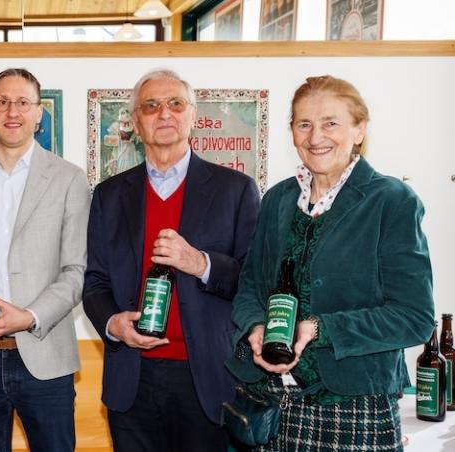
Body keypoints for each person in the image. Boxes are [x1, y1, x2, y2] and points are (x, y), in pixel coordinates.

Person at [226, 75, 435, 451]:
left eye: (331, 123)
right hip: (270, 407)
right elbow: (250, 289)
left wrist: (318, 329)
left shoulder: (391, 200)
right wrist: (255, 327)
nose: (315, 136)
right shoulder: (277, 199)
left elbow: (414, 318)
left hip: (356, 410)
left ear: (359, 130)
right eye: (303, 124)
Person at [82, 68, 260, 452]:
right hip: (132, 378)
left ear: (193, 115)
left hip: (206, 380)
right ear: (135, 122)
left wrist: (200, 262)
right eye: (150, 106)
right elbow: (95, 281)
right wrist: (113, 323)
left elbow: (254, 281)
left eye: (175, 103)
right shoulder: (109, 195)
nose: (164, 113)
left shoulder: (236, 190)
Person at [0, 67, 90, 452]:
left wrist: (30, 316)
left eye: (23, 102)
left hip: (45, 355)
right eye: (2, 102)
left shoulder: (70, 179)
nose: (12, 111)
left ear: (39, 113)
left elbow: (77, 270)